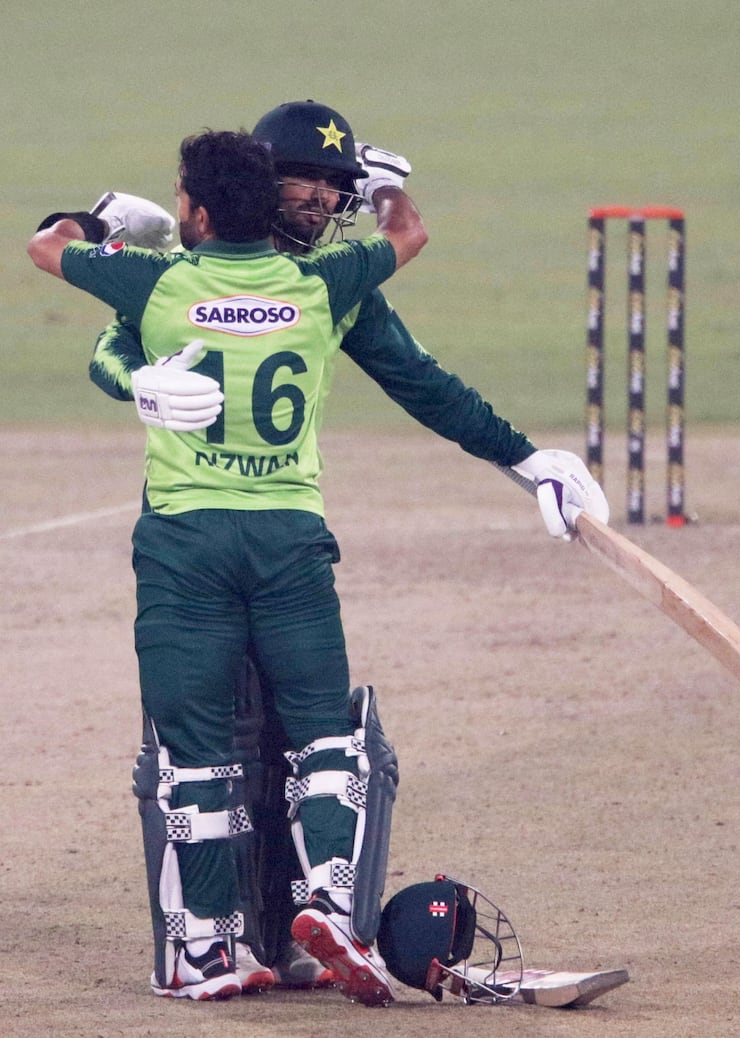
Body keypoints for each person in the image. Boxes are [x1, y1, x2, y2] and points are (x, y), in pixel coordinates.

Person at [77, 101, 610, 1007]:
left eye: (336, 184)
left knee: (289, 743)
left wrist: (524, 460)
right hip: (200, 546)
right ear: (255, 178)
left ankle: (295, 937)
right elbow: (111, 349)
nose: (323, 198)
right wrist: (139, 382)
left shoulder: (329, 280)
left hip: (240, 549)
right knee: (216, 749)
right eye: (304, 180)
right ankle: (215, 940)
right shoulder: (211, 273)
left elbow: (421, 383)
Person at [28, 127, 429, 1005]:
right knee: (325, 734)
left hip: (187, 545)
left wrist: (101, 224)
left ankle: (201, 952)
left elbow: (45, 246)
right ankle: (328, 900)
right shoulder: (323, 283)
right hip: (290, 540)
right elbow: (407, 236)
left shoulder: (161, 281)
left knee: (199, 755)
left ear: (198, 211)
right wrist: (382, 193)